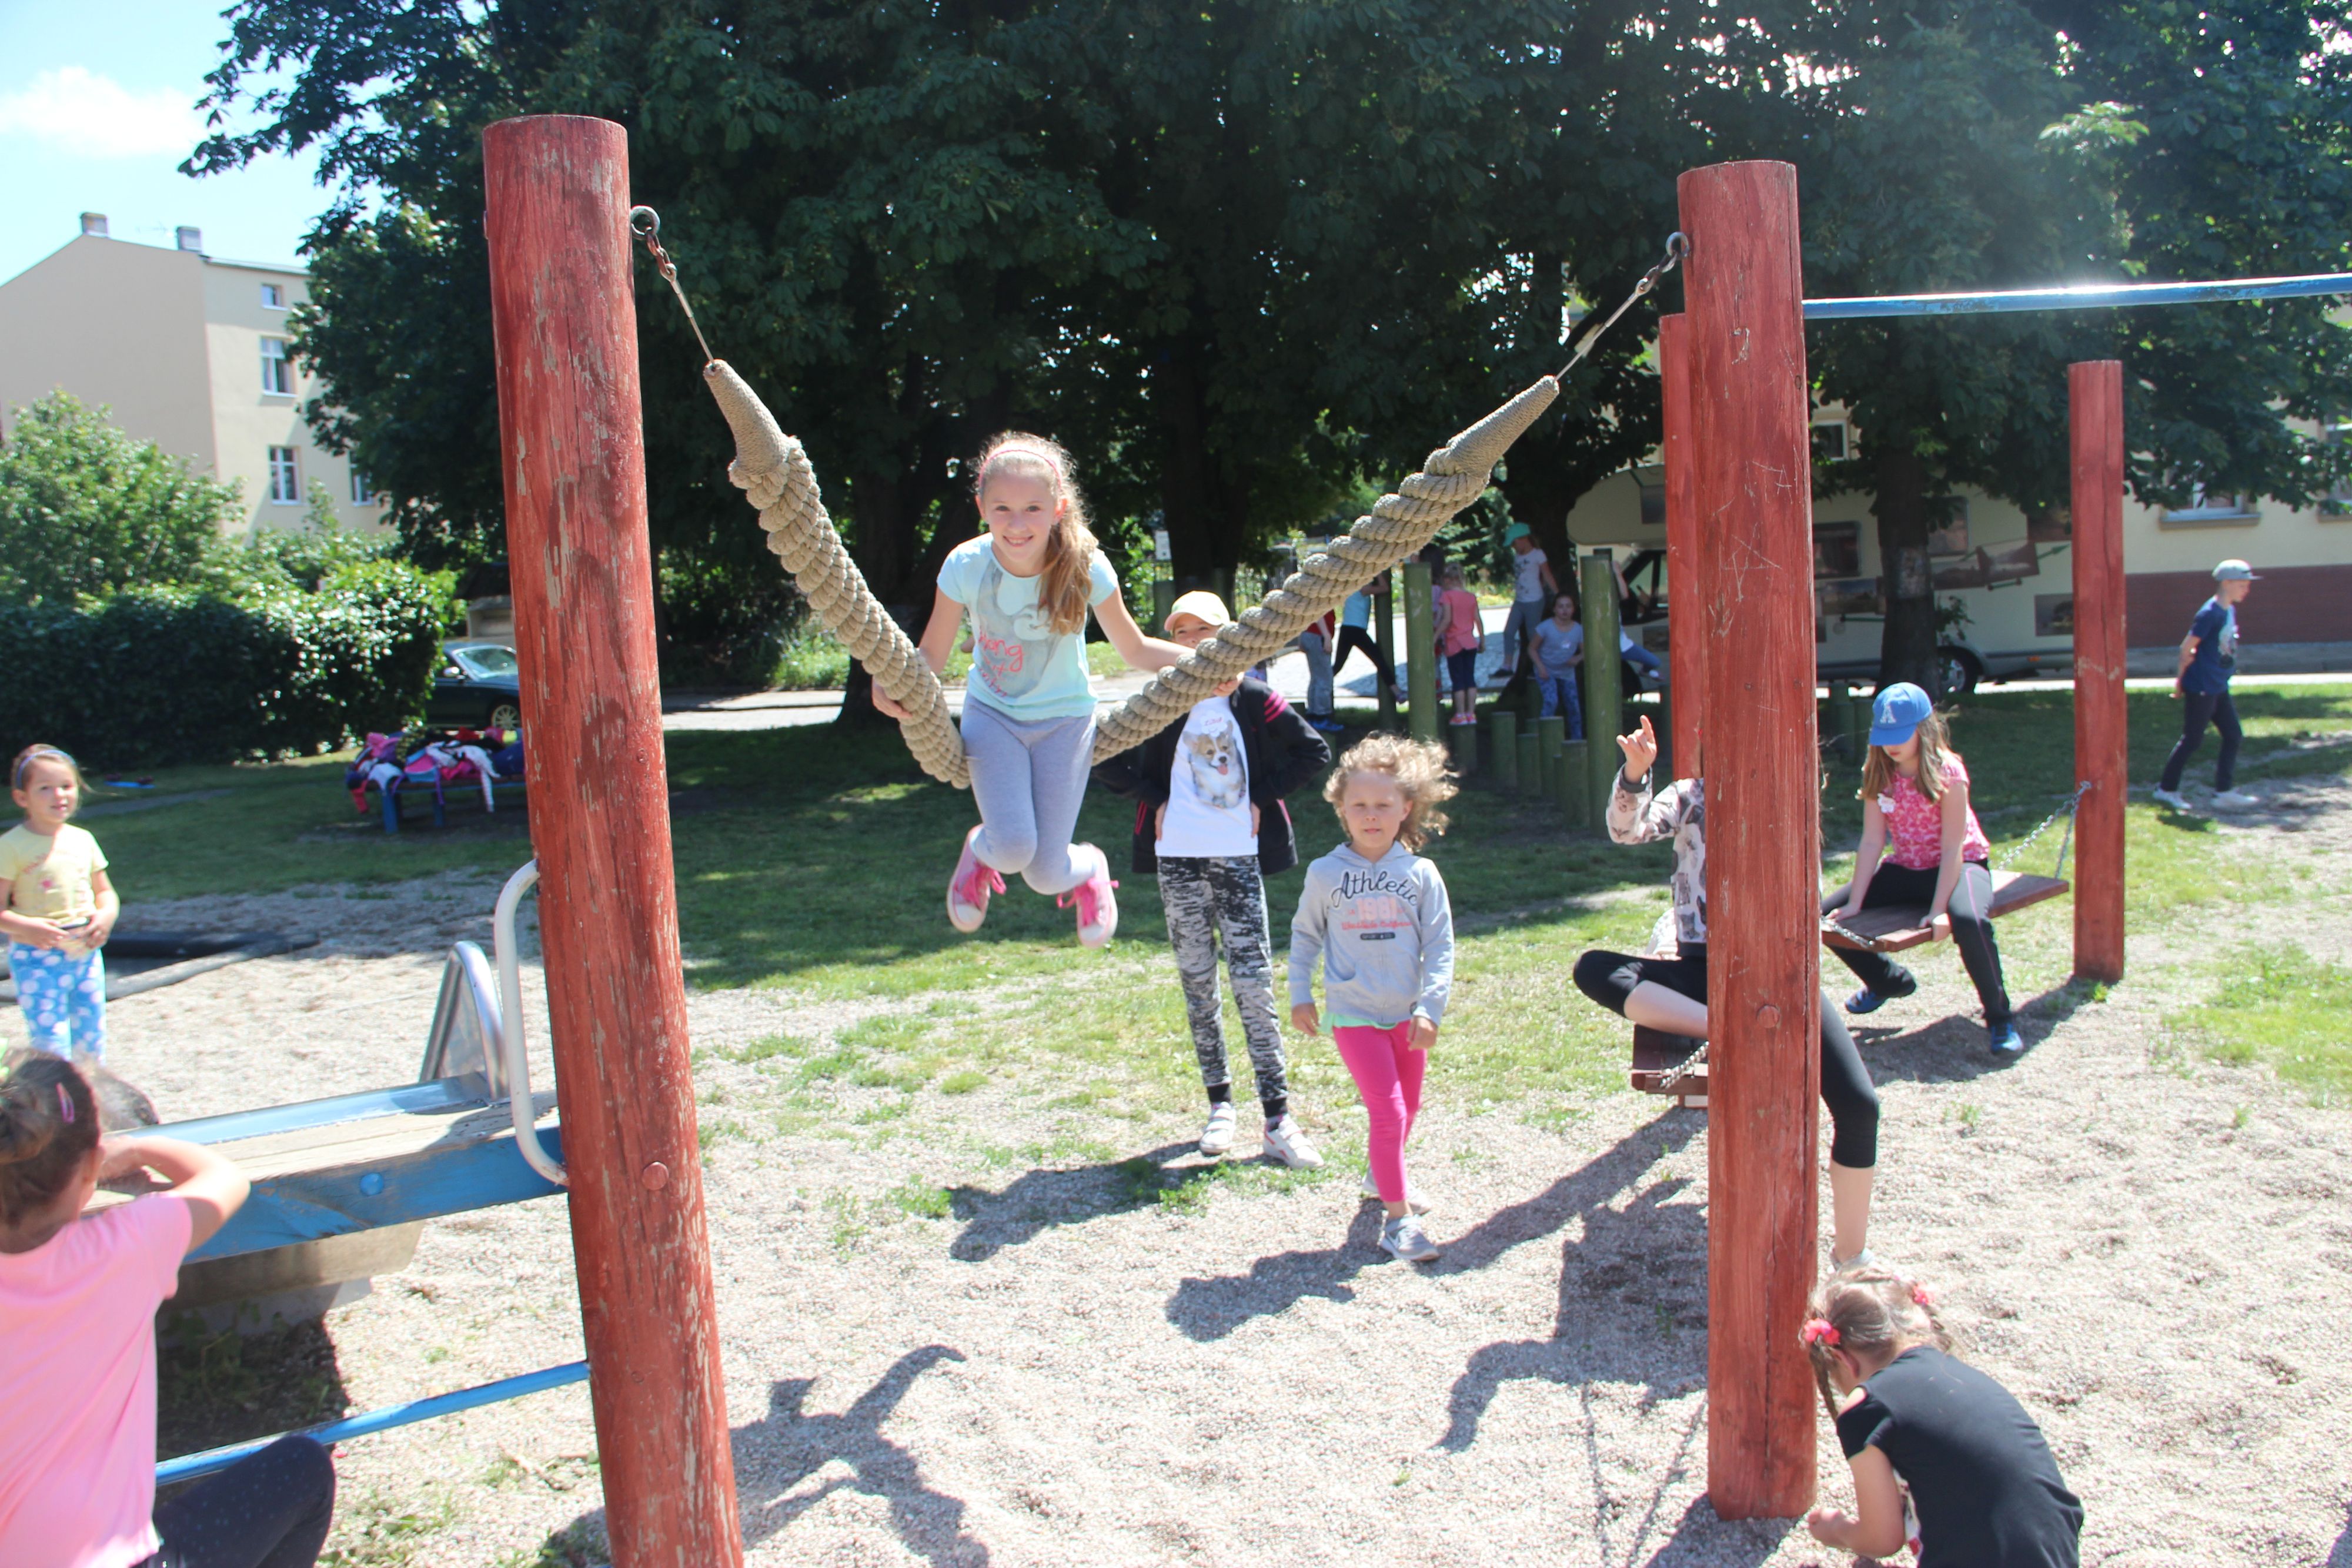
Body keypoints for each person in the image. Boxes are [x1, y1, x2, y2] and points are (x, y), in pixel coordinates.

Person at [1, 1051, 338, 1567]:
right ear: (90, 1166)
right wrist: (138, 1146)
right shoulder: (125, 1248)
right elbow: (224, 1179)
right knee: (303, 1468)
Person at [1571, 714, 1880, 1266]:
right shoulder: (1693, 795)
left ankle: (1852, 1259)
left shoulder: (1794, 794)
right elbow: (1627, 830)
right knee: (1593, 967)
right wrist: (1635, 775)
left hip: (1784, 979)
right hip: (1706, 974)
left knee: (1859, 1106)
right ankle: (1724, 1029)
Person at [876, 433, 1188, 947]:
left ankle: (1090, 866)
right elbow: (931, 653)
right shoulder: (965, 565)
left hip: (1065, 723)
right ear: (981, 507)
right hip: (994, 716)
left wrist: (1214, 659)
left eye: (1032, 509)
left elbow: (1134, 649)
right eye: (1002, 508)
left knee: (1045, 873)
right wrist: (892, 677)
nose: (1016, 523)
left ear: (1058, 508)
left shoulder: (1086, 566)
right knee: (1012, 847)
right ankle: (981, 849)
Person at [1094, 591, 1331, 1168]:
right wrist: (1156, 800)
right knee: (1198, 983)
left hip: (1238, 858)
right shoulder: (1161, 697)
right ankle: (1220, 1105)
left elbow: (1313, 751)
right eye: (1183, 632)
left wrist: (1259, 797)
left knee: (1253, 983)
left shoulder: (1253, 697)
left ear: (1231, 636)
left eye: (1206, 630)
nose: (1195, 641)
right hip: (1178, 859)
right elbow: (1102, 755)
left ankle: (1277, 1117)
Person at [1287, 735, 1456, 1263]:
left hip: (1408, 1016)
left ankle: (1379, 1176)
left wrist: (1430, 1008)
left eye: (1383, 804)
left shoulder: (1421, 874)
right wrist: (1300, 994)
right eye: (1358, 804)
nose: (1371, 815)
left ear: (1407, 807)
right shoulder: (1325, 873)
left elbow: (1441, 946)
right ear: (1341, 808)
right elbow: (1305, 936)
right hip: (1353, 1014)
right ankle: (1398, 1222)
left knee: (1410, 1108)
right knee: (1388, 1111)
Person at [1802, 1263, 2083, 1566]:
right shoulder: (1961, 1375)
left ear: (1843, 1359)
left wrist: (1838, 1530)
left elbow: (1882, 1540)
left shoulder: (1867, 1406)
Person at [1828, 683, 2020, 1055]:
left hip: (1961, 865)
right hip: (1907, 866)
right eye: (1885, 736)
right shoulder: (1879, 771)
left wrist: (1939, 909)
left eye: (1900, 735)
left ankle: (2000, 1017)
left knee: (1970, 921)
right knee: (1824, 917)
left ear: (1924, 729)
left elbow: (1952, 847)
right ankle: (1888, 981)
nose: (1891, 745)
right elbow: (1872, 842)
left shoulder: (1949, 771)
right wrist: (1855, 902)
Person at [1, 746, 120, 1061]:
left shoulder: (83, 840)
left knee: (91, 1039)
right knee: (51, 1041)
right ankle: (56, 1092)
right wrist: (27, 927)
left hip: (85, 953)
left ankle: (90, 1090)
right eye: (45, 788)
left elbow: (106, 893)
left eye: (67, 786)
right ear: (22, 798)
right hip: (37, 957)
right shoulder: (11, 846)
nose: (59, 795)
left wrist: (106, 916)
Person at [2153, 559, 2260, 811]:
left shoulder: (2229, 610)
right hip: (2202, 686)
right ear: (2227, 583)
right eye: (2242, 585)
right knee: (2192, 739)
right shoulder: (2210, 613)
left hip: (2218, 685)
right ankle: (2166, 790)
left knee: (2233, 735)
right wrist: (2180, 682)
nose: (2247, 590)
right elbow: (2186, 648)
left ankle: (2224, 792)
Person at [1497, 523, 1558, 674]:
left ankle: (1541, 665)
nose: (1513, 547)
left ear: (1523, 539)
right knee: (1509, 632)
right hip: (1520, 601)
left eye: (1514, 543)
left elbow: (1547, 575)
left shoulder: (1538, 554)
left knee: (1533, 636)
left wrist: (1558, 594)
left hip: (1534, 601)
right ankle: (1507, 665)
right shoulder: (1517, 556)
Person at [1331, 587, 1404, 704]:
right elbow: (1384, 587)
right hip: (1356, 630)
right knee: (1379, 660)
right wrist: (1378, 576)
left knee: (1338, 665)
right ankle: (1397, 692)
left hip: (1347, 629)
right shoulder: (1362, 589)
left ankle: (1321, 687)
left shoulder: (1352, 588)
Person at [1433, 566, 1484, 726]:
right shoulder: (1471, 597)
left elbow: (1447, 620)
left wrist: (1434, 637)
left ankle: (1460, 714)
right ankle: (1471, 714)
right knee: (1470, 678)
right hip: (1470, 643)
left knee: (1458, 680)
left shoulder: (1447, 596)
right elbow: (1478, 620)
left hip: (1454, 643)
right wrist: (1482, 640)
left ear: (1448, 580)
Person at [1529, 594, 1585, 737]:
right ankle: (1544, 736)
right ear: (1554, 609)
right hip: (1547, 671)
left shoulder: (1578, 629)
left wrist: (1577, 658)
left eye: (1568, 606)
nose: (1565, 610)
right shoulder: (1545, 628)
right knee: (1551, 701)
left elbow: (1585, 651)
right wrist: (1540, 667)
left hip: (1567, 673)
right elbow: (1532, 649)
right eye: (1561, 606)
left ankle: (1576, 740)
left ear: (1573, 609)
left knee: (1574, 707)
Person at [1297, 609, 1344, 733]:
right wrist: (1326, 635)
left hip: (1309, 633)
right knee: (1325, 679)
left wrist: (1301, 635)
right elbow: (1319, 610)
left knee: (1316, 678)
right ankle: (1321, 718)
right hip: (1317, 635)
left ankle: (1313, 715)